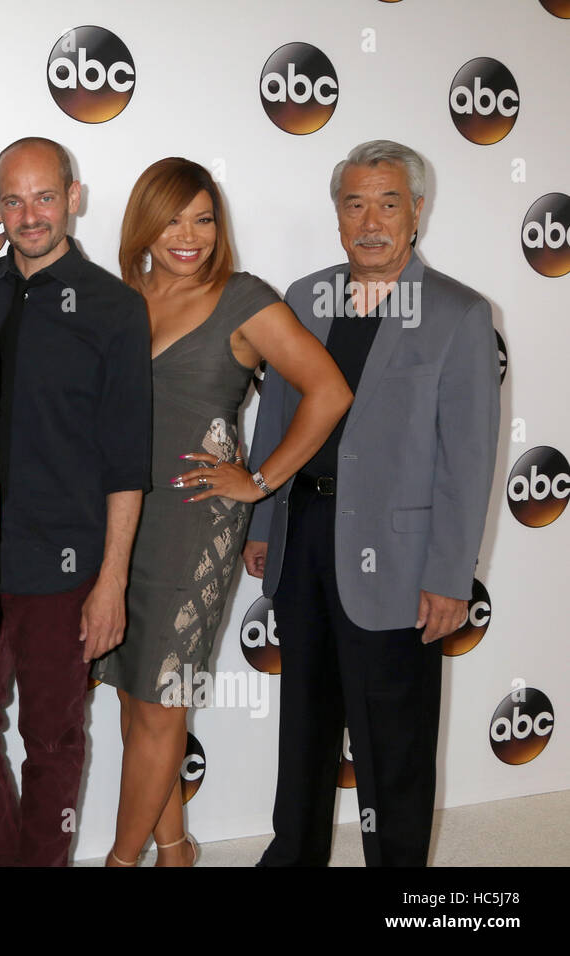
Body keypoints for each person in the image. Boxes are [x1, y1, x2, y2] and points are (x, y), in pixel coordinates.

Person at [244, 140, 500, 866]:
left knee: (394, 740)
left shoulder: (458, 313)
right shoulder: (302, 298)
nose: (371, 220)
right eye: (354, 203)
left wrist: (451, 575)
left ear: (417, 211)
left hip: (401, 557)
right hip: (305, 538)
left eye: (388, 202)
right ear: (337, 214)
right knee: (305, 729)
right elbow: (278, 419)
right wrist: (265, 518)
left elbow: (470, 457)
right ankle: (293, 856)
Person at [90, 157, 351, 867]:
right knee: (131, 697)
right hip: (116, 527)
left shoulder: (244, 299)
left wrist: (259, 480)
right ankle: (174, 849)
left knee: (162, 703)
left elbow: (328, 392)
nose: (190, 234)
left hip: (193, 527)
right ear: (144, 222)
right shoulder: (122, 298)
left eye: (204, 218)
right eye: (173, 218)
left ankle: (120, 861)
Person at [0, 137, 151, 867]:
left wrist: (112, 581)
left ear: (75, 197)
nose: (30, 214)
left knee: (54, 740)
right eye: (14, 199)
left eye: (45, 196)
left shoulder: (117, 309)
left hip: (68, 566)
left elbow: (128, 461)